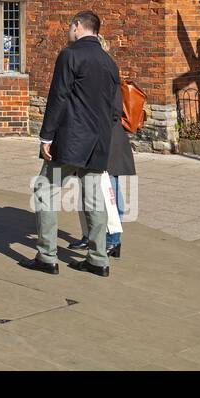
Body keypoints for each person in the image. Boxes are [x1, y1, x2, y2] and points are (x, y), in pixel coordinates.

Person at [24, 11, 120, 278]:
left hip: (70, 140)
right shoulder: (109, 62)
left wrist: (46, 136)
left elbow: (58, 97)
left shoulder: (70, 55)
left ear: (77, 27)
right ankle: (98, 258)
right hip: (98, 141)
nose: (69, 32)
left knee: (45, 191)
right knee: (93, 197)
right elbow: (115, 110)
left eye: (70, 27)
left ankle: (46, 256)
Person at [75, 34, 137, 259]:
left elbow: (113, 110)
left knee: (110, 191)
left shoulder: (107, 72)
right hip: (98, 137)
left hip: (109, 139)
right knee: (91, 189)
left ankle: (113, 239)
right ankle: (91, 235)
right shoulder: (100, 70)